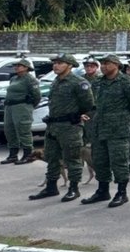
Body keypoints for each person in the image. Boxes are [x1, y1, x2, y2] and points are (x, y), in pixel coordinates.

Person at [29, 54, 94, 202]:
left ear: (70, 65)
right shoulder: (56, 81)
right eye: (55, 63)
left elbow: (88, 103)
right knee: (52, 158)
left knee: (73, 158)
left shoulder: (78, 82)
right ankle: (51, 187)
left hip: (70, 126)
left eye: (60, 63)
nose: (55, 66)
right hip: (53, 126)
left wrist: (75, 115)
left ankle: (74, 189)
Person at [80, 54, 130, 207]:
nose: (103, 66)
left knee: (119, 160)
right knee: (100, 160)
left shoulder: (127, 82)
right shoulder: (99, 82)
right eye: (102, 64)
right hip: (99, 127)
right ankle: (102, 190)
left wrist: (121, 117)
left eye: (107, 63)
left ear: (116, 65)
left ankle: (122, 192)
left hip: (117, 128)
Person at [1, 58, 41, 165]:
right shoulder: (14, 78)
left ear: (26, 68)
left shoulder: (30, 79)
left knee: (23, 130)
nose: (16, 67)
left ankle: (28, 155)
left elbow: (37, 95)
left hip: (22, 106)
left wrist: (29, 106)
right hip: (10, 106)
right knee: (9, 130)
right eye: (16, 65)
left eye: (19, 66)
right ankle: (13, 155)